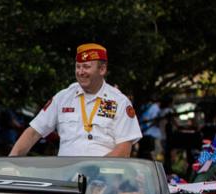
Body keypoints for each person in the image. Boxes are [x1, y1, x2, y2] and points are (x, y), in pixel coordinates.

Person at [10, 43, 142, 157]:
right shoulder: (63, 97)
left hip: (104, 179)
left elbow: (124, 149)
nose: (80, 72)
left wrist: (94, 171)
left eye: (86, 67)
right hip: (67, 178)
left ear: (102, 69)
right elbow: (33, 133)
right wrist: (10, 161)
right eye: (78, 67)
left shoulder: (119, 102)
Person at [138, 96, 172, 162]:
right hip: (155, 135)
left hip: (145, 134)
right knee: (156, 154)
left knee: (146, 154)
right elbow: (156, 121)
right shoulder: (155, 108)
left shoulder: (144, 106)